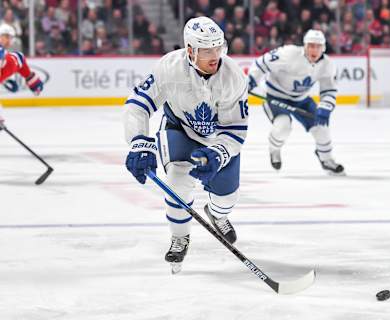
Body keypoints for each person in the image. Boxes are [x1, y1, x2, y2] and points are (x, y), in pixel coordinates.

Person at [123, 17, 248, 271]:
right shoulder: (169, 68)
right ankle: (180, 236)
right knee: (178, 185)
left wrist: (218, 153)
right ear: (190, 50)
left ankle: (218, 214)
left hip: (217, 139)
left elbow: (235, 129)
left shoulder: (232, 76)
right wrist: (138, 142)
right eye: (207, 50)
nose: (215, 56)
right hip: (179, 129)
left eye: (218, 48)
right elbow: (137, 105)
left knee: (227, 196)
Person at [248, 29, 344, 175]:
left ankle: (327, 159)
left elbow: (329, 90)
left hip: (300, 99)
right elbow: (262, 63)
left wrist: (325, 108)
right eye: (311, 46)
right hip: (275, 96)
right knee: (283, 127)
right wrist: (251, 80)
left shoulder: (327, 65)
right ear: (304, 46)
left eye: (318, 46)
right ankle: (274, 150)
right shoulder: (288, 53)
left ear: (323, 48)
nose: (314, 50)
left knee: (321, 127)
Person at [0, 23, 44, 129]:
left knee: (18, 57)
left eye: (10, 38)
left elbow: (18, 61)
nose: (9, 40)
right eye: (6, 37)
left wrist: (30, 78)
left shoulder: (13, 58)